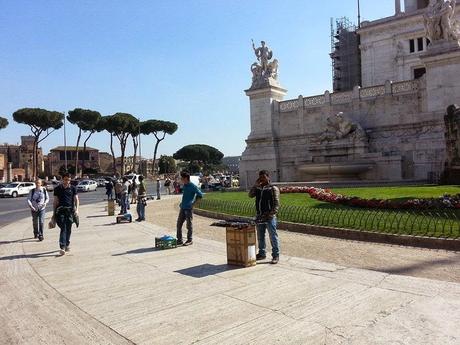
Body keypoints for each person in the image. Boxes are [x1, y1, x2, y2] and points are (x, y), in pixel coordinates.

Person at [248, 170, 280, 264]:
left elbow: (276, 204)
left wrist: (271, 214)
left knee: (273, 236)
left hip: (269, 216)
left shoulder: (273, 188)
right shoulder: (258, 188)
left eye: (264, 177)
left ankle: (275, 255)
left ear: (268, 177)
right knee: (260, 236)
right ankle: (262, 253)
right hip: (260, 215)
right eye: (260, 177)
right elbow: (250, 195)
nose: (262, 179)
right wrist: (255, 185)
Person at [53, 173, 79, 255]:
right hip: (60, 211)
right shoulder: (57, 189)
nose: (66, 181)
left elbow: (76, 200)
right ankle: (62, 247)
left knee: (69, 228)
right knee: (63, 227)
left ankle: (67, 243)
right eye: (65, 179)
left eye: (68, 180)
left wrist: (77, 210)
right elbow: (55, 201)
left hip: (70, 211)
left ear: (70, 180)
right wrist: (54, 214)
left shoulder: (73, 188)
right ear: (62, 179)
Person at [176, 171, 203, 246]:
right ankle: (179, 240)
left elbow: (200, 195)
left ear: (186, 178)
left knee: (189, 225)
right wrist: (182, 203)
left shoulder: (193, 186)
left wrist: (194, 203)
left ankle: (189, 239)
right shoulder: (185, 185)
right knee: (179, 224)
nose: (181, 179)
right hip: (183, 207)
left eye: (182, 178)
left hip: (188, 208)